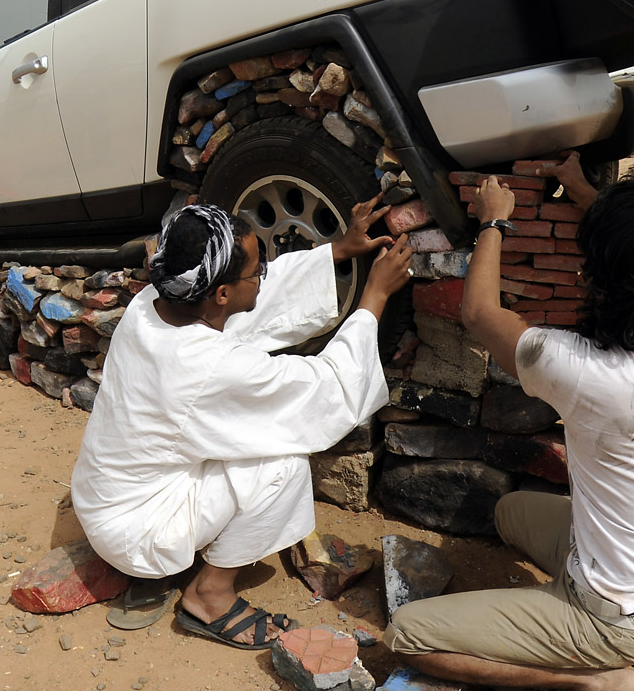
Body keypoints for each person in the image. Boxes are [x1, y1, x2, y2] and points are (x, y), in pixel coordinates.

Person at [385, 153, 634, 691]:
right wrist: (580, 189)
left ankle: (590, 683)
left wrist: (493, 220)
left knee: (408, 635)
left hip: (616, 619)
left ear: (597, 281)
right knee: (510, 511)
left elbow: (478, 314)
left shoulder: (582, 370)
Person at [71, 196, 413, 649]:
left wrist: (337, 251)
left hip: (104, 497)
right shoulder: (207, 367)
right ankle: (208, 595)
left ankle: (196, 554)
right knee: (284, 459)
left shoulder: (156, 302)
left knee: (250, 424)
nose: (264, 275)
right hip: (138, 531)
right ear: (221, 293)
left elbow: (249, 303)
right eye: (259, 268)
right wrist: (375, 296)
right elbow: (327, 388)